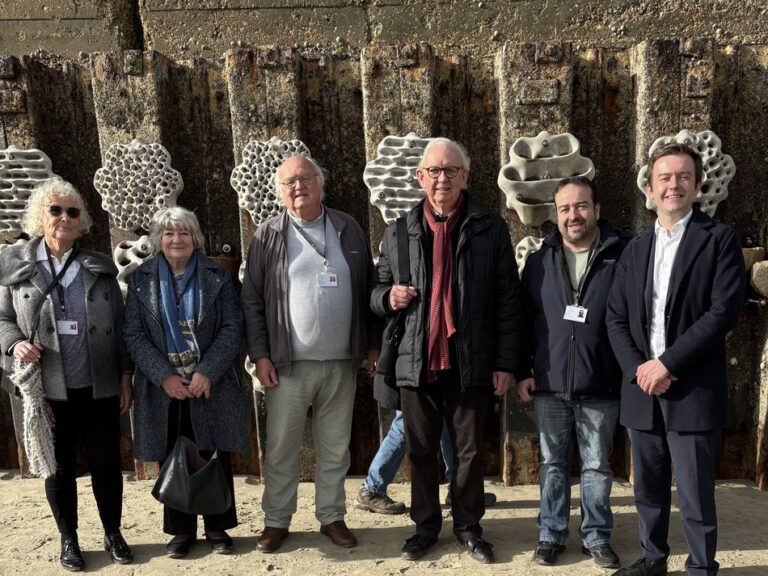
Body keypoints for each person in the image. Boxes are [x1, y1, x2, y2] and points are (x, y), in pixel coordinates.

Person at [370, 138, 522, 564]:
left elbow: (509, 301)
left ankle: (470, 527)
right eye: (433, 171)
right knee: (420, 450)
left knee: (470, 451)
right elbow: (374, 292)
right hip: (416, 361)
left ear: (466, 177)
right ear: (420, 177)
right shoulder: (398, 230)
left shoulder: (489, 229)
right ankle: (425, 528)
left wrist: (506, 363)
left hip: (469, 359)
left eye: (451, 170)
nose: (442, 178)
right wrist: (388, 298)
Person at [606, 143, 745, 576]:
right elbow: (615, 317)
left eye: (683, 176)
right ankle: (653, 558)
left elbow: (722, 312)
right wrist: (640, 369)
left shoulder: (719, 240)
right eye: (664, 177)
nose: (674, 185)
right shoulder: (635, 248)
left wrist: (666, 364)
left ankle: (702, 568)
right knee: (646, 486)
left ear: (698, 184)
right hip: (642, 389)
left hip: (692, 387)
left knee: (695, 491)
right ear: (649, 188)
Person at [241, 155, 379, 553]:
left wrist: (372, 345)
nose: (297, 186)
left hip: (341, 361)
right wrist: (261, 354)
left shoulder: (347, 227)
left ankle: (331, 516)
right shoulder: (268, 234)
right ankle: (276, 521)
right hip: (287, 365)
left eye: (304, 178)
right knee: (282, 445)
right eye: (288, 182)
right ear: (280, 191)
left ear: (320, 183)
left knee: (335, 445)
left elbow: (369, 289)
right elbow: (251, 301)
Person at [0, 179, 133, 571]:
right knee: (57, 467)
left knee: (107, 463)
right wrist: (13, 345)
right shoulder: (16, 266)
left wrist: (126, 376)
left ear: (81, 221)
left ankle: (113, 533)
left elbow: (122, 327)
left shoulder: (98, 267)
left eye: (72, 212)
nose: (64, 217)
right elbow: (2, 318)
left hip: (99, 386)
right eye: (55, 210)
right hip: (47, 390)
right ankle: (69, 540)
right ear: (40, 216)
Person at [123, 206, 248, 558]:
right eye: (169, 233)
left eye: (184, 233)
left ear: (195, 239)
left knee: (211, 452)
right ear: (158, 239)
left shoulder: (218, 277)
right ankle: (180, 531)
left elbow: (231, 328)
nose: (176, 239)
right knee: (172, 453)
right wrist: (163, 376)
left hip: (210, 381)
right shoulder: (141, 279)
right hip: (164, 386)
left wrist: (208, 370)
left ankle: (217, 526)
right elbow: (132, 334)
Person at [515, 177, 626, 569]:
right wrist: (522, 370)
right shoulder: (540, 260)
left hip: (601, 382)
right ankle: (551, 534)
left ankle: (596, 536)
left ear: (596, 210)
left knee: (597, 465)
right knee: (552, 464)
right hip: (549, 381)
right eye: (564, 209)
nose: (572, 215)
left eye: (580, 206)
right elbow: (524, 320)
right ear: (555, 215)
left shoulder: (622, 254)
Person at [355, 413, 497, 514]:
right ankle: (372, 489)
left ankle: (458, 489)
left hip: (432, 373)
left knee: (445, 418)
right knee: (406, 422)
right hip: (416, 374)